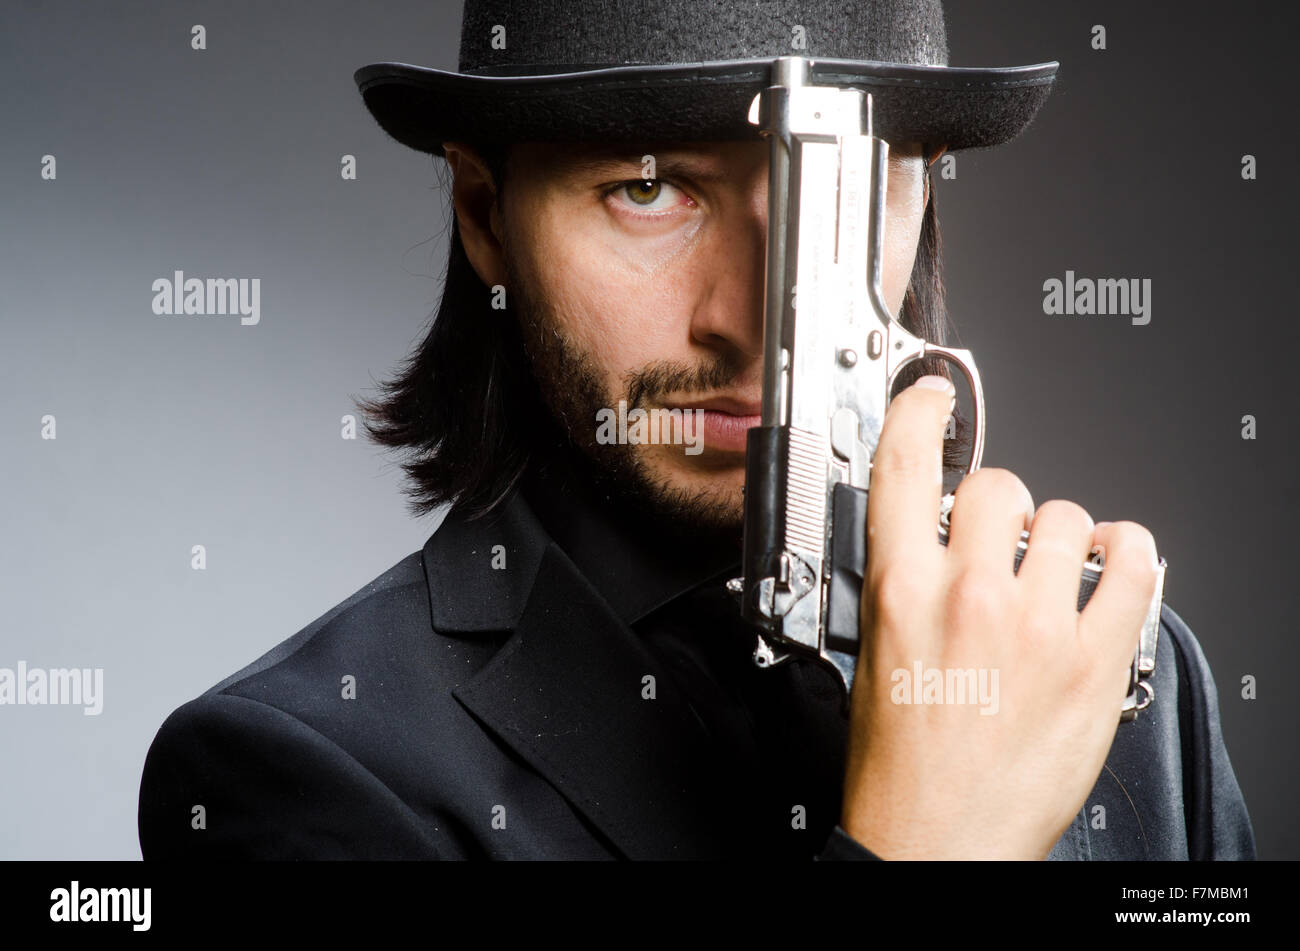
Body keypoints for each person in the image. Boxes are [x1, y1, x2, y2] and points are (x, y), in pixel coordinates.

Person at [138, 0, 1255, 860]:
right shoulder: (302, 768)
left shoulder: (1110, 664)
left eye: (844, 196)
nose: (746, 320)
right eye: (647, 188)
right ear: (484, 214)